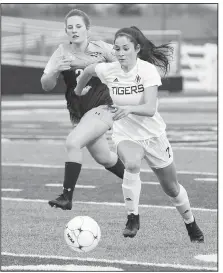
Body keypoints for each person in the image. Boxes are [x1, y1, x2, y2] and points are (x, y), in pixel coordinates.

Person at [74, 26, 204, 243]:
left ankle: (191, 223)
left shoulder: (146, 71)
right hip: (125, 134)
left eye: (126, 48)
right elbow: (88, 71)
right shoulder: (109, 70)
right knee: (132, 163)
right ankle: (132, 217)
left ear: (137, 49)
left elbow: (150, 108)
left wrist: (129, 109)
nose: (121, 52)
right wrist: (78, 92)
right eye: (117, 48)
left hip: (153, 135)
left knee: (171, 188)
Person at [40, 9, 125, 211]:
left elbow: (125, 64)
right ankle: (133, 177)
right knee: (104, 157)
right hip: (80, 114)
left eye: (78, 26)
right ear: (66, 31)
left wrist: (91, 63)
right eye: (70, 27)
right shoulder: (61, 52)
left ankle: (66, 197)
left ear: (88, 29)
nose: (74, 30)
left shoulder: (102, 48)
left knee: (73, 142)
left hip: (104, 107)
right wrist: (54, 71)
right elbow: (46, 85)